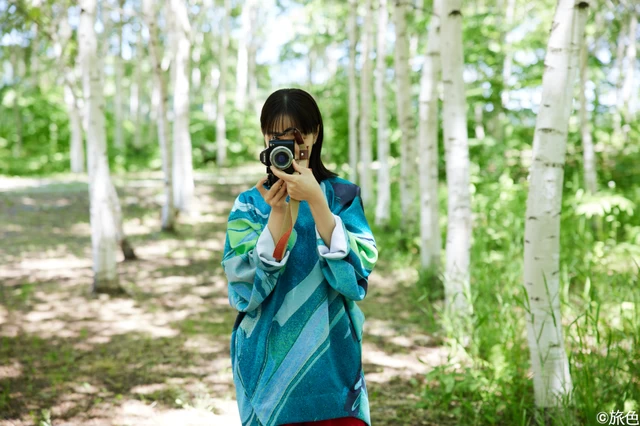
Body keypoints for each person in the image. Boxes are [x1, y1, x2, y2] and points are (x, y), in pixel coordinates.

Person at [221, 88, 378, 426]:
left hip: (333, 363)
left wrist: (318, 203)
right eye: (276, 136)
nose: (288, 145)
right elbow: (243, 288)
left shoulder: (343, 195)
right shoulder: (249, 203)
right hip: (266, 367)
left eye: (295, 135)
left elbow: (358, 276)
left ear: (315, 133)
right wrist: (277, 215)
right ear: (265, 139)